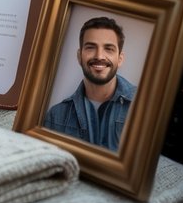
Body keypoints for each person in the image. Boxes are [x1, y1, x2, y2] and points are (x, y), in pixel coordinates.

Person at [43, 15, 136, 152]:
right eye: (91, 47)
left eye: (108, 49)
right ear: (79, 56)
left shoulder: (144, 106)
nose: (99, 56)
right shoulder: (55, 115)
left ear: (120, 59)